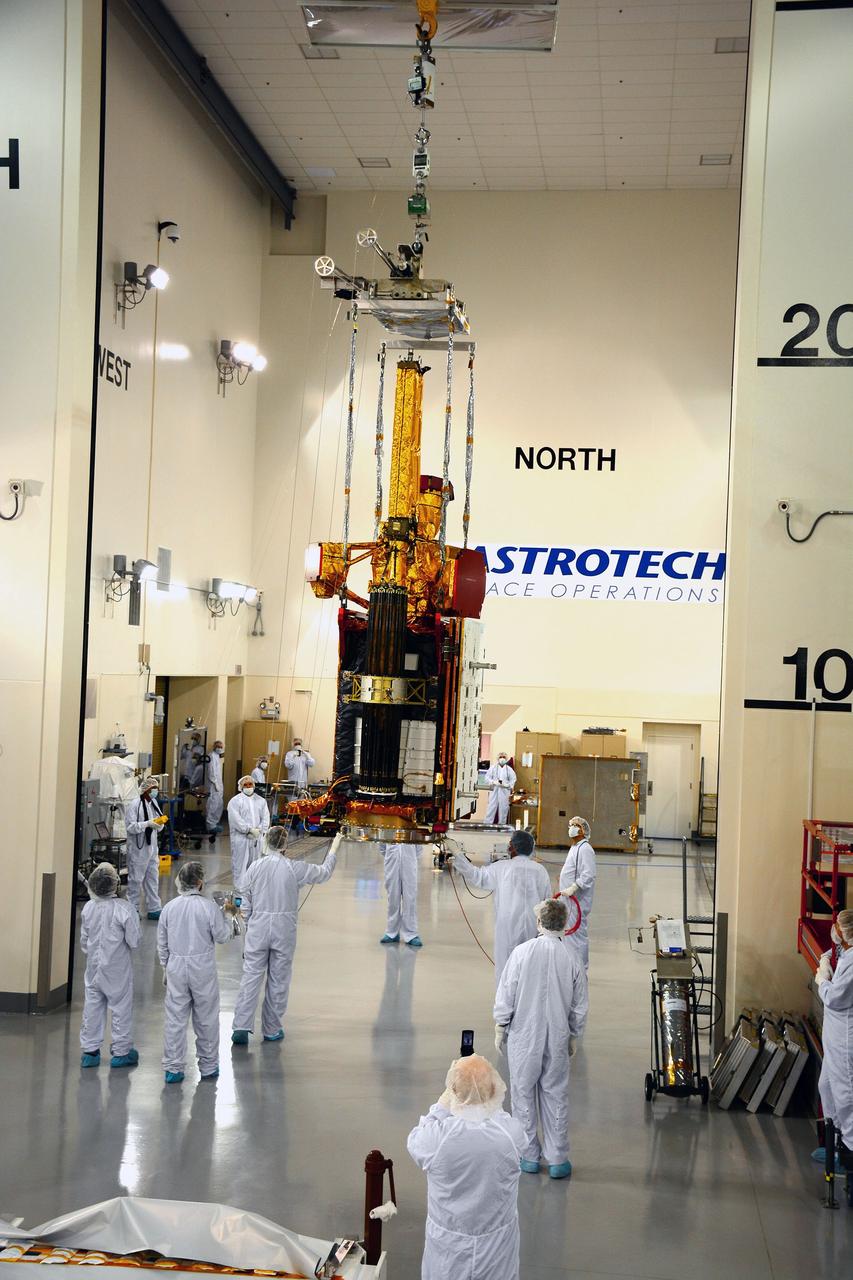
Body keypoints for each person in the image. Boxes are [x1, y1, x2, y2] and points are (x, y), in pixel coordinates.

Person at [494, 897, 589, 1180]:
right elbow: (579, 1004)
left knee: (523, 1093)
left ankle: (528, 1155)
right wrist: (574, 1034)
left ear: (539, 922)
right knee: (555, 1093)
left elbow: (506, 992)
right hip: (557, 1036)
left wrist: (501, 1025)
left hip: (524, 1035)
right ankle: (558, 1158)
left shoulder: (522, 953)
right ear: (564, 924)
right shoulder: (571, 957)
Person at [407, 1054, 525, 1280]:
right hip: (497, 1249)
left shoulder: (437, 1138)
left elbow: (415, 1140)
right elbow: (513, 1132)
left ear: (452, 1091)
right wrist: (488, 1102)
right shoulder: (509, 1134)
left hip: (449, 1250)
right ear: (494, 1090)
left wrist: (441, 1107)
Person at [231, 828, 342, 1046]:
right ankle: (271, 1029)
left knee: (251, 977)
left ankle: (241, 1027)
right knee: (278, 980)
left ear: (267, 843)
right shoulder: (294, 868)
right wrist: (335, 847)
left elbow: (245, 897)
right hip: (284, 931)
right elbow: (323, 873)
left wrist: (247, 923)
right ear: (285, 845)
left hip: (258, 929)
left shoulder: (255, 867)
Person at [157, 860, 232, 1083]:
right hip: (203, 969)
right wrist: (228, 916)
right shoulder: (209, 907)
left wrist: (165, 967)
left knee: (175, 1019)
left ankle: (173, 1068)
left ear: (180, 880)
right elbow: (222, 936)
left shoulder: (169, 908)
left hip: (176, 968)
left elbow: (161, 943)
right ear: (200, 883)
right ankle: (208, 1067)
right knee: (207, 1018)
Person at [450, 831, 551, 983]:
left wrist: (458, 854)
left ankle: (504, 1005)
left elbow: (476, 876)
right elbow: (547, 903)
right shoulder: (540, 871)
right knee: (529, 973)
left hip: (507, 929)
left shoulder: (501, 868)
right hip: (533, 929)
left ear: (513, 848)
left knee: (505, 972)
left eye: (510, 844)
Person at [79, 862, 140, 1069]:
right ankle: (121, 1053)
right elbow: (134, 941)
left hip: (93, 969)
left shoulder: (88, 908)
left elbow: (84, 942)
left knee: (92, 1006)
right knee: (121, 1007)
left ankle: (90, 1052)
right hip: (116, 970)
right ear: (115, 884)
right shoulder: (125, 909)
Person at [813, 909, 853, 1168]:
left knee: (846, 1095)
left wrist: (822, 980)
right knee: (826, 1087)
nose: (833, 931)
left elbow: (835, 998)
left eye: (837, 927)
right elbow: (833, 953)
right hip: (833, 1037)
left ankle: (850, 1156)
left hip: (844, 1040)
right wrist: (826, 960)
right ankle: (837, 1144)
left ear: (845, 932)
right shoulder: (846, 952)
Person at [123, 776, 167, 919]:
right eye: (153, 789)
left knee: (152, 879)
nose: (156, 791)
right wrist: (147, 824)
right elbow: (130, 827)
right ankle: (132, 908)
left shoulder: (153, 803)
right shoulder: (134, 805)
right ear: (146, 790)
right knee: (135, 880)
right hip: (138, 849)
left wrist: (159, 824)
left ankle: (154, 908)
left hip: (152, 849)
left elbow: (157, 822)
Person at [559, 815, 596, 970]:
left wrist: (573, 887)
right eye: (571, 825)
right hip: (569, 900)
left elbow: (588, 875)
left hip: (576, 901)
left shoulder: (585, 849)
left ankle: (581, 968)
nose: (572, 828)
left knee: (577, 935)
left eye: (576, 825)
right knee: (569, 934)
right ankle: (571, 966)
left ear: (583, 830)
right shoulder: (575, 847)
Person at [227, 774, 270, 889]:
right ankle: (240, 889)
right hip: (241, 839)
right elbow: (235, 819)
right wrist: (248, 830)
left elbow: (266, 818)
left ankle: (255, 888)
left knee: (256, 864)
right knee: (240, 865)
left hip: (257, 838)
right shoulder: (235, 801)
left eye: (250, 784)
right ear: (240, 787)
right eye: (245, 785)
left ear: (254, 785)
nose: (248, 786)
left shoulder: (261, 801)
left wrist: (260, 830)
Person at [379, 842, 423, 948]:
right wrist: (394, 855)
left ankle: (411, 934)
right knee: (393, 898)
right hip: (391, 863)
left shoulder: (413, 825)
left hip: (409, 862)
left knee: (410, 898)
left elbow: (418, 848)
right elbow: (382, 847)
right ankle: (391, 932)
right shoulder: (388, 825)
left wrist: (407, 856)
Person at [484, 752, 516, 825]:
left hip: (505, 791)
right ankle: (487, 824)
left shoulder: (509, 770)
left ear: (506, 759)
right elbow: (486, 778)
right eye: (500, 757)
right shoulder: (493, 767)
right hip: (494, 790)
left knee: (504, 808)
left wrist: (507, 785)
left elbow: (513, 779)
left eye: (504, 757)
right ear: (498, 758)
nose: (502, 758)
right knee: (491, 807)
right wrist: (493, 782)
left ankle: (502, 825)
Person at [206, 741, 225, 839]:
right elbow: (211, 772)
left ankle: (215, 823)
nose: (219, 748)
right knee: (213, 804)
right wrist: (216, 784)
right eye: (218, 746)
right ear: (214, 747)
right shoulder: (212, 756)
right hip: (213, 785)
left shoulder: (217, 757)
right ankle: (210, 825)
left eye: (221, 746)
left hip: (218, 785)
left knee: (219, 804)